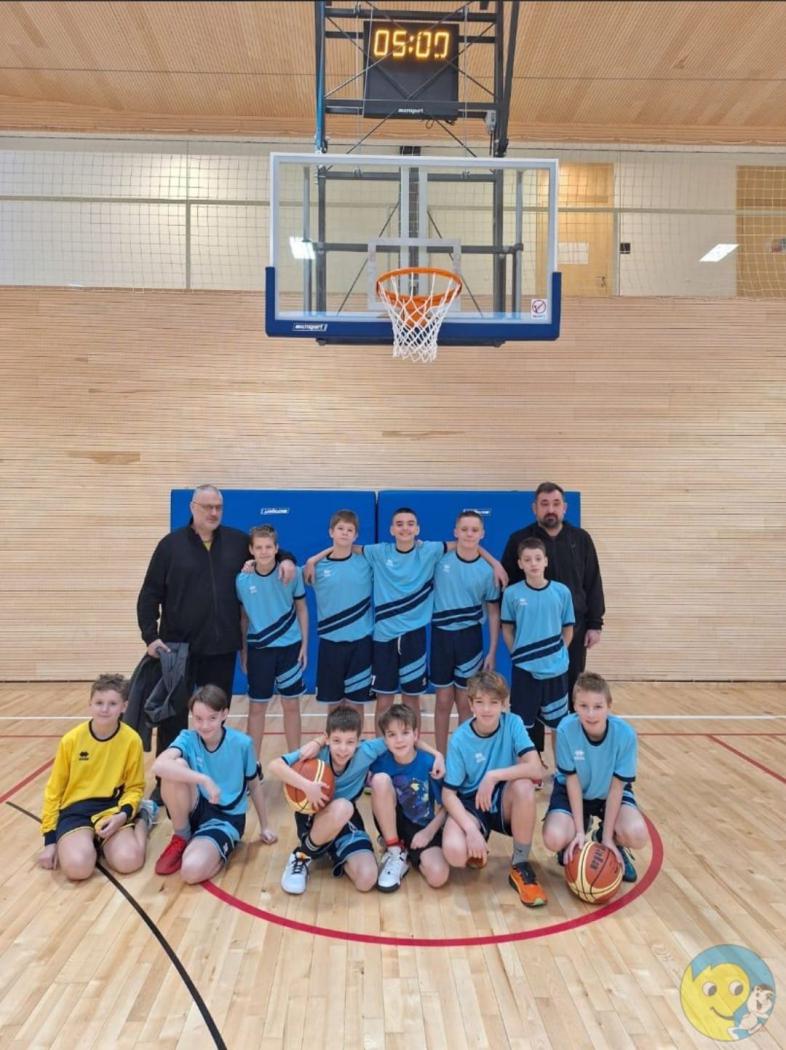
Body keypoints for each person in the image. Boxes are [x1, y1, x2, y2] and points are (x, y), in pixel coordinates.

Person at [137, 484, 295, 761]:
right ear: (192, 507)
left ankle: (215, 769)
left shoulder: (237, 542)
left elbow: (270, 551)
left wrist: (288, 560)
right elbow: (149, 593)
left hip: (221, 649)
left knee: (214, 717)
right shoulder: (170, 545)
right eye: (207, 507)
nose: (213, 512)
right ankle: (170, 777)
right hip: (178, 648)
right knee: (173, 716)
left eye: (218, 507)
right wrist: (150, 636)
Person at [306, 507, 505, 722]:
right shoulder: (379, 552)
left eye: (410, 524)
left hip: (414, 637)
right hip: (384, 638)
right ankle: (381, 743)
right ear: (391, 529)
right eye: (399, 524)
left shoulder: (429, 551)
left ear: (417, 529)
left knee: (412, 700)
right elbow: (346, 545)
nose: (405, 528)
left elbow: (465, 543)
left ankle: (414, 742)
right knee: (384, 701)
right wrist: (313, 560)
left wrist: (494, 562)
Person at [269, 702, 444, 895]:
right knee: (343, 807)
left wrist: (437, 755)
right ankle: (302, 856)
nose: (343, 749)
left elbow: (402, 739)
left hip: (347, 819)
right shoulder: (317, 753)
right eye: (337, 741)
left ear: (358, 742)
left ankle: (334, 850)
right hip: (315, 816)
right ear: (327, 739)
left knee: (367, 879)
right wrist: (307, 785)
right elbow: (275, 765)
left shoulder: (366, 751)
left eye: (350, 742)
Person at [440, 670, 547, 907]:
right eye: (480, 702)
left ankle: (520, 864)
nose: (487, 709)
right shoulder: (460, 738)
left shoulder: (513, 723)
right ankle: (478, 839)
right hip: (472, 802)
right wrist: (470, 830)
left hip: (502, 798)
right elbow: (448, 794)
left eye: (494, 702)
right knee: (455, 853)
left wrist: (493, 776)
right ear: (471, 705)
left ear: (504, 704)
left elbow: (536, 769)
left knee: (524, 786)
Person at [152, 684, 277, 883]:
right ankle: (182, 836)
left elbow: (254, 785)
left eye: (212, 718)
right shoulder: (188, 738)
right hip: (195, 806)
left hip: (226, 818)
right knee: (176, 766)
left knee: (190, 872)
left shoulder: (242, 744)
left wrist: (265, 826)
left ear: (224, 714)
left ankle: (217, 850)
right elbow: (159, 766)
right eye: (198, 718)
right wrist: (203, 779)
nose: (204, 725)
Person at [37, 673, 156, 881]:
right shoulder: (71, 740)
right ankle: (90, 843)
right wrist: (50, 840)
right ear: (90, 704)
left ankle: (143, 817)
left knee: (130, 861)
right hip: (75, 811)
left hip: (112, 808)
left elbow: (134, 787)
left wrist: (122, 816)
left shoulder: (131, 740)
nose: (104, 709)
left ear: (124, 707)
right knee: (77, 869)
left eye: (112, 703)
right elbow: (54, 791)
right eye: (99, 703)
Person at [501, 481, 605, 704]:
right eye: (544, 504)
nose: (550, 509)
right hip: (532, 631)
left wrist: (595, 624)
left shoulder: (581, 539)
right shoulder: (519, 540)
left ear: (564, 507)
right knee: (532, 699)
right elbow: (507, 585)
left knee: (572, 691)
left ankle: (569, 728)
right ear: (534, 508)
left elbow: (593, 581)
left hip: (573, 628)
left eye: (556, 504)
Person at [542, 671, 649, 883]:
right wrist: (579, 832)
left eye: (598, 706)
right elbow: (572, 782)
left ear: (609, 706)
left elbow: (617, 788)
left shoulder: (625, 735)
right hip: (574, 792)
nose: (591, 714)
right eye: (584, 706)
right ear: (574, 706)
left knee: (637, 835)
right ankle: (576, 831)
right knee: (553, 838)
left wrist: (608, 838)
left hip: (608, 793)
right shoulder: (565, 730)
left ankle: (608, 839)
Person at [431, 510, 500, 757]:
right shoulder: (440, 560)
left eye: (474, 530)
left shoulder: (488, 571)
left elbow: (494, 612)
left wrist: (492, 651)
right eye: (464, 529)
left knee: (464, 702)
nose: (469, 534)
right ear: (455, 532)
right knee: (442, 700)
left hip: (470, 639)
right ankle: (440, 757)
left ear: (482, 534)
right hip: (441, 637)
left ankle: (461, 758)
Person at [500, 537, 574, 762]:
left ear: (546, 561)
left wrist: (558, 654)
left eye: (538, 558)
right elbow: (507, 629)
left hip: (556, 670)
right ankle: (527, 769)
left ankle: (562, 769)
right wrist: (517, 655)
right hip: (525, 671)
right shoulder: (512, 594)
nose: (533, 563)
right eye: (527, 559)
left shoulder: (562, 592)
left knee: (559, 725)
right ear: (520, 564)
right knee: (523, 725)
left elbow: (568, 628)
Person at [236, 525, 308, 754]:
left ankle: (296, 760)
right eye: (259, 547)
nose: (264, 551)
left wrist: (305, 645)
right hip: (259, 650)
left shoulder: (292, 573)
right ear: (251, 550)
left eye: (268, 547)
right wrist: (244, 652)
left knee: (291, 705)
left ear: (277, 548)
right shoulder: (242, 580)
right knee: (257, 708)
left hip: (289, 648)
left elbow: (302, 609)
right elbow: (243, 618)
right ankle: (253, 765)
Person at [370, 703, 449, 892]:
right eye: (392, 735)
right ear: (384, 739)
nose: (399, 740)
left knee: (438, 876)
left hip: (422, 826)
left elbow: (448, 804)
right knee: (379, 780)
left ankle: (407, 856)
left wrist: (428, 832)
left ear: (416, 735)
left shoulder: (430, 764)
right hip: (392, 823)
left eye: (405, 733)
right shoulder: (378, 761)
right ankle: (394, 849)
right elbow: (346, 748)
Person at [309, 510, 373, 715]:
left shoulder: (366, 563)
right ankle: (333, 738)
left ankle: (357, 738)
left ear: (356, 535)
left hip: (360, 644)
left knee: (356, 705)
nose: (345, 533)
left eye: (350, 530)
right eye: (340, 528)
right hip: (330, 645)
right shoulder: (316, 567)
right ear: (331, 532)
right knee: (334, 705)